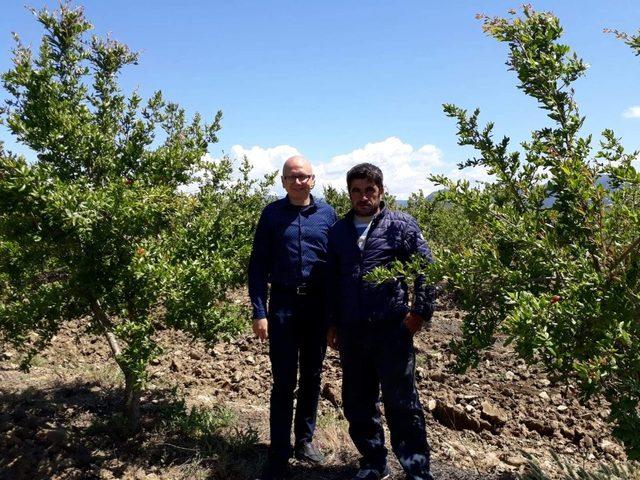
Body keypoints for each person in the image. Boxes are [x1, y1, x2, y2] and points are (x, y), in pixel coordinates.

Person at [326, 163, 435, 480]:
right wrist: (332, 323)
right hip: (352, 332)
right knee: (358, 403)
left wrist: (418, 315)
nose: (363, 197)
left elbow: (426, 271)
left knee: (402, 404)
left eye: (369, 190)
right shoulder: (339, 232)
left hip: (391, 330)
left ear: (381, 191)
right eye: (356, 191)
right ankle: (374, 461)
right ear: (349, 193)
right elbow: (333, 281)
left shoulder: (401, 225)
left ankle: (416, 469)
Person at [248, 155, 338, 480]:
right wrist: (260, 312)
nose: (299, 182)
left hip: (317, 306)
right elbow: (257, 266)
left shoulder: (328, 214)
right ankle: (278, 450)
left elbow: (337, 268)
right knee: (284, 380)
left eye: (304, 177)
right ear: (283, 181)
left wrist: (334, 318)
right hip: (283, 305)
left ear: (313, 180)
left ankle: (304, 442)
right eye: (292, 177)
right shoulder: (271, 214)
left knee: (312, 376)